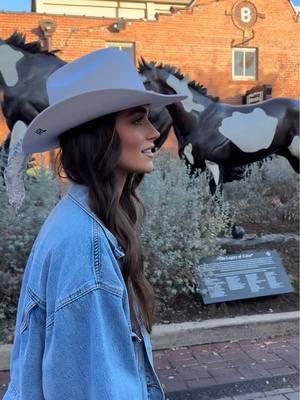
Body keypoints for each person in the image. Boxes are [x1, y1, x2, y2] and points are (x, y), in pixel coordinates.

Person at [3, 48, 186, 400]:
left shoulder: (83, 218)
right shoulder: (88, 248)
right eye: (137, 120)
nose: (154, 133)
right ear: (99, 134)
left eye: (149, 118)